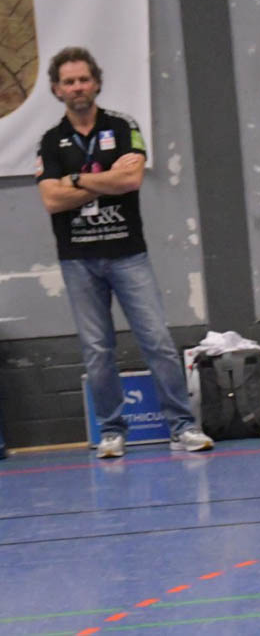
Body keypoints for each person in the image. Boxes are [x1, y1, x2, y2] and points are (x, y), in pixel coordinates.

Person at [34, 47, 213, 458]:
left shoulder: (123, 125)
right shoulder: (50, 140)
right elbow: (50, 200)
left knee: (158, 341)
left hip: (128, 255)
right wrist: (103, 179)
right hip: (78, 261)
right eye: (68, 82)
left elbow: (130, 180)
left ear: (96, 82)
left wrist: (74, 179)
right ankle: (112, 431)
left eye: (83, 79)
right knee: (97, 350)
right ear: (57, 90)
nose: (77, 87)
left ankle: (183, 426)